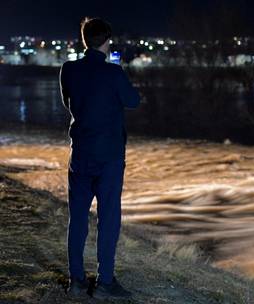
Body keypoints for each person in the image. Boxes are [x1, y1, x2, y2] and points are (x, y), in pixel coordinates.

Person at [59, 17, 140, 300]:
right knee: (108, 220)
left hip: (80, 155)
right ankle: (105, 282)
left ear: (84, 41)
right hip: (109, 158)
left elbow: (68, 102)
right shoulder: (113, 73)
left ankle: (77, 281)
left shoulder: (68, 70)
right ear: (106, 41)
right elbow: (133, 101)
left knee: (78, 220)